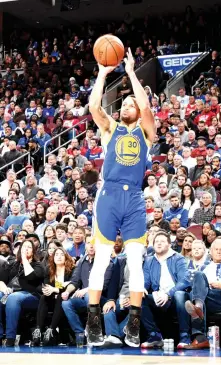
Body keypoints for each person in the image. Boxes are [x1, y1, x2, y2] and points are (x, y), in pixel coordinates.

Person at [85, 48, 155, 347]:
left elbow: (147, 107)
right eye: (123, 102)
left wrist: (130, 73)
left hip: (135, 199)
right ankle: (93, 319)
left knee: (136, 262)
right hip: (109, 195)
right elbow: (93, 106)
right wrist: (102, 73)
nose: (126, 105)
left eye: (131, 103)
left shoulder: (147, 131)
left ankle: (135, 323)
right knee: (101, 260)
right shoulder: (110, 128)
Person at [184, 238, 221, 349]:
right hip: (207, 297)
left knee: (196, 297)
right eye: (216, 249)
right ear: (210, 252)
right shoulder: (203, 266)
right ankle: (198, 307)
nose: (218, 251)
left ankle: (199, 335)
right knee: (198, 275)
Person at [141, 231, 190, 348]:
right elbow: (146, 281)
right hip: (158, 296)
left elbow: (184, 281)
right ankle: (154, 335)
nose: (158, 244)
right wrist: (141, 288)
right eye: (156, 241)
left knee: (179, 295)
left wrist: (168, 294)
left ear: (169, 244)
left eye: (162, 241)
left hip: (174, 297)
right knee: (139, 296)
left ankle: (185, 337)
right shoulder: (149, 261)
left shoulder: (178, 258)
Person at [0, 240, 44, 347]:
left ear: (33, 251)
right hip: (12, 294)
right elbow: (1, 280)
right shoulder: (12, 265)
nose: (26, 249)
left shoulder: (38, 265)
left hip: (32, 296)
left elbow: (31, 276)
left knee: (14, 298)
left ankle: (10, 337)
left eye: (29, 247)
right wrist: (5, 288)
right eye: (24, 247)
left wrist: (24, 260)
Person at [32, 247, 75, 346]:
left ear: (66, 257)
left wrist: (56, 290)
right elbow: (48, 286)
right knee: (44, 297)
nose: (59, 257)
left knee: (60, 297)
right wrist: (47, 290)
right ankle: (38, 330)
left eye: (61, 254)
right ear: (53, 257)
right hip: (52, 299)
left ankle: (51, 330)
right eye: (56, 254)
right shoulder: (49, 269)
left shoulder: (72, 269)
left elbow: (72, 286)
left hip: (66, 298)